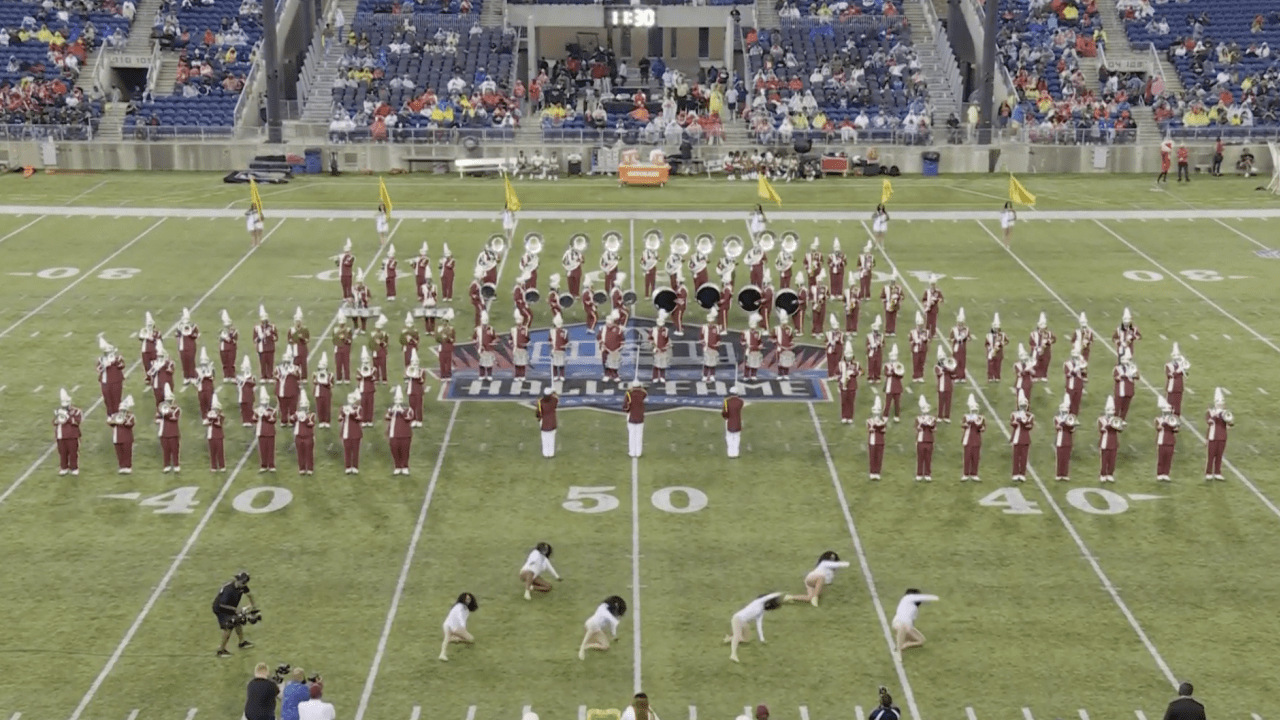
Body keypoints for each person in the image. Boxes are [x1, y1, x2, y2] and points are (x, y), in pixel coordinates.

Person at [725, 592, 784, 662]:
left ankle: (729, 638)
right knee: (737, 636)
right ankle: (733, 654)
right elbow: (767, 597)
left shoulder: (761, 611)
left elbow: (759, 625)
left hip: (743, 622)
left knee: (745, 639)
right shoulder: (758, 602)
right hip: (737, 619)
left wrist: (762, 639)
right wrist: (778, 593)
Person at [213, 571, 256, 657]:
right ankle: (221, 650)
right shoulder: (229, 590)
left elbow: (249, 594)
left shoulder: (242, 587)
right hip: (220, 609)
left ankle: (242, 642)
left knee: (238, 620)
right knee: (229, 626)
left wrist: (253, 606)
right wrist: (236, 610)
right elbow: (222, 604)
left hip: (229, 607)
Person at [784, 551, 850, 606]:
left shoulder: (831, 573)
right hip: (811, 579)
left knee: (809, 597)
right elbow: (835, 565)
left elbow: (827, 582)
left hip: (813, 583)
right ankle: (815, 597)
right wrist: (846, 564)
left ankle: (790, 597)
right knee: (821, 578)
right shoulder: (824, 563)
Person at [891, 588, 939, 655]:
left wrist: (910, 631)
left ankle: (904, 644)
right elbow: (922, 597)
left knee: (921, 640)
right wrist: (935, 597)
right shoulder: (907, 598)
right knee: (903, 628)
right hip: (899, 623)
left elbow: (912, 622)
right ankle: (900, 648)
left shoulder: (914, 609)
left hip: (905, 626)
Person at [578, 595, 627, 660]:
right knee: (592, 631)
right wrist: (581, 651)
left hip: (595, 628)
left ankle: (587, 646)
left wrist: (614, 635)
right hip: (592, 626)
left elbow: (612, 624)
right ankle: (583, 648)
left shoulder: (603, 606)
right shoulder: (607, 614)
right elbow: (614, 623)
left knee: (606, 646)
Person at [439, 592, 479, 661]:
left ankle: (443, 653)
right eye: (466, 599)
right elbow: (460, 617)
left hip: (447, 625)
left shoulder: (463, 608)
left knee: (446, 639)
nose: (467, 601)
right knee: (471, 639)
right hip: (454, 627)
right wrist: (463, 627)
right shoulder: (460, 607)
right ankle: (444, 650)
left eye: (469, 599)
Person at [1205, 387, 1232, 481]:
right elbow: (1209, 421)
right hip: (1212, 436)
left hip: (1222, 437)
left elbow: (1230, 423)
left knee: (1219, 456)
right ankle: (1208, 472)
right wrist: (1215, 416)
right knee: (1211, 456)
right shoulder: (1210, 412)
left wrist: (1227, 418)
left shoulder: (1225, 412)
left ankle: (1217, 472)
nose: (1220, 404)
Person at [54, 388, 83, 476]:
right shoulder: (58, 411)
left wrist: (68, 417)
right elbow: (54, 422)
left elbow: (78, 421)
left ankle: (74, 468)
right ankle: (64, 467)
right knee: (62, 452)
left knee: (73, 452)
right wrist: (57, 418)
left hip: (72, 435)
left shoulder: (76, 411)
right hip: (60, 435)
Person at [624, 380, 646, 457]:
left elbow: (626, 407)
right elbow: (644, 392)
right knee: (639, 435)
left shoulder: (628, 394)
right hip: (640, 416)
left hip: (631, 416)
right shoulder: (643, 393)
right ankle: (638, 452)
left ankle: (632, 452)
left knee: (632, 435)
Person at [722, 384, 744, 458]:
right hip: (738, 421)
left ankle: (730, 453)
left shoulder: (726, 401)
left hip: (729, 420)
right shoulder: (740, 401)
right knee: (737, 437)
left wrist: (725, 417)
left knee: (729, 437)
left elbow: (724, 412)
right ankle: (735, 453)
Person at [536, 387, 558, 458]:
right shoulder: (554, 400)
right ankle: (551, 453)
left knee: (545, 439)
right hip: (552, 422)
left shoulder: (540, 402)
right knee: (551, 438)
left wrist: (538, 418)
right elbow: (556, 399)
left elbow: (538, 413)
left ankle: (545, 453)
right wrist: (554, 393)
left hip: (544, 423)